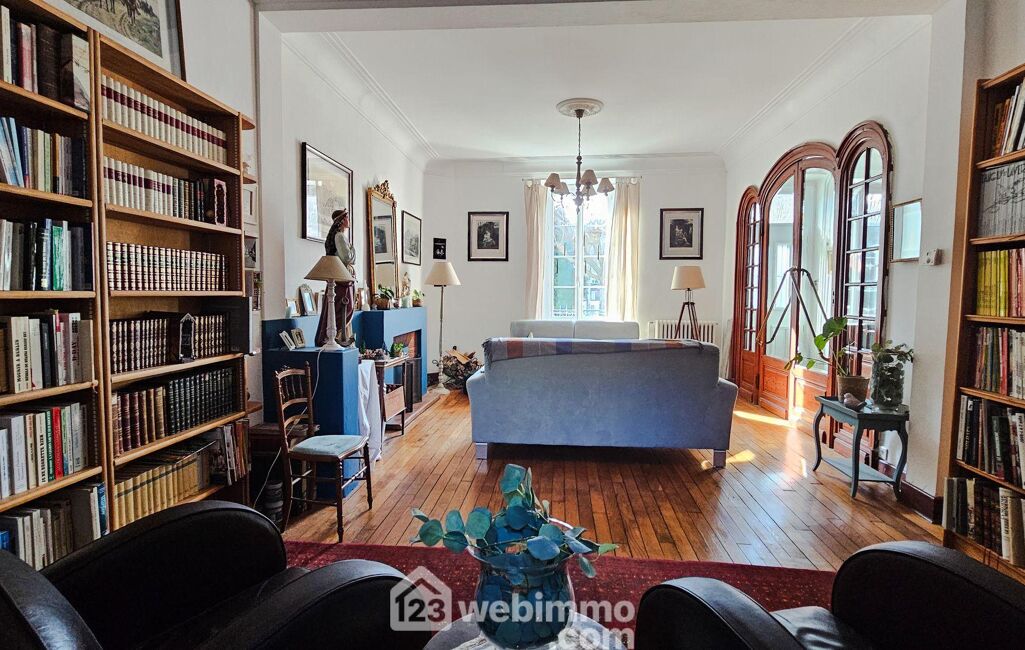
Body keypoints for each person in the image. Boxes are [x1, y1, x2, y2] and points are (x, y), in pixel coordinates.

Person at [316, 209, 357, 346]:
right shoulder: (339, 236)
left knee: (346, 305)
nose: (349, 220)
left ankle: (341, 336)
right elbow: (347, 257)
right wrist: (353, 249)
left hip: (345, 275)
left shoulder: (341, 236)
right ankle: (337, 335)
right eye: (347, 218)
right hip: (342, 276)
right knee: (344, 306)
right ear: (342, 220)